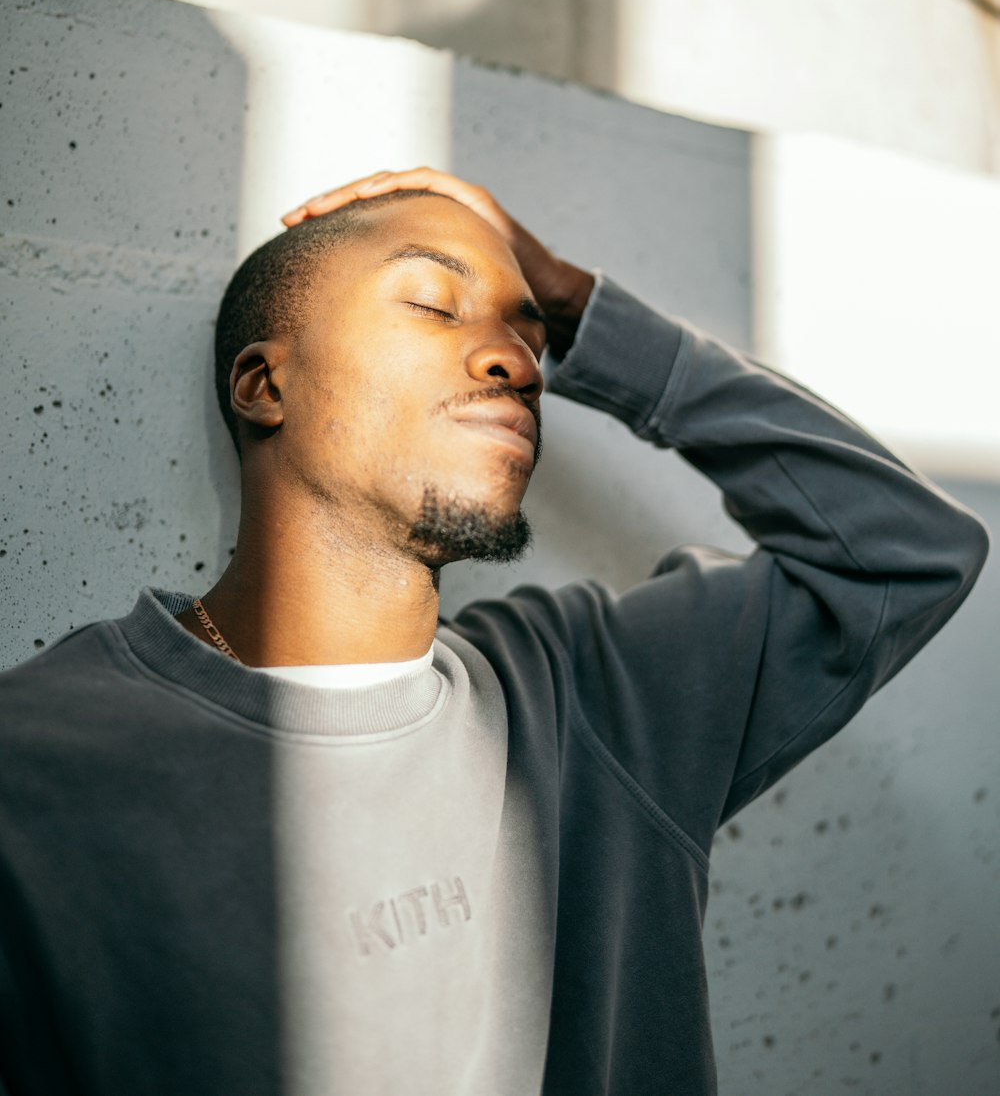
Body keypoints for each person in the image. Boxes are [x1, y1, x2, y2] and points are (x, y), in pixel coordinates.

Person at [0, 167, 988, 1096]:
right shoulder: (36, 764)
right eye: (431, 303)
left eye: (531, 337)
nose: (515, 361)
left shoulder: (592, 698)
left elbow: (902, 550)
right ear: (265, 384)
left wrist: (583, 310)